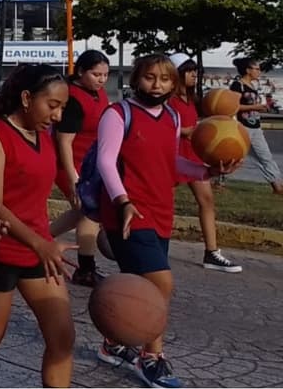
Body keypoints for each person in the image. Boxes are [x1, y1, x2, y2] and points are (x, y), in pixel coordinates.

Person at [94, 54, 241, 388]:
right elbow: (105, 161)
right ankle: (151, 357)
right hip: (128, 213)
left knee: (138, 283)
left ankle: (113, 343)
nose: (156, 85)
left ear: (173, 84)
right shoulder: (118, 114)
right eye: (149, 77)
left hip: (161, 211)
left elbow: (171, 162)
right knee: (161, 283)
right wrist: (123, 201)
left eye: (164, 79)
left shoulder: (172, 116)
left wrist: (206, 171)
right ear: (136, 79)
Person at [0, 64, 76, 388]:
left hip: (38, 251)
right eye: (52, 105)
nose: (57, 116)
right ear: (26, 98)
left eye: (62, 108)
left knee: (62, 337)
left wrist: (92, 201)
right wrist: (40, 244)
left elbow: (61, 182)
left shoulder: (44, 137)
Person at [167, 54, 241, 272]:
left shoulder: (192, 99)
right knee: (165, 203)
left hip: (192, 154)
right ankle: (155, 246)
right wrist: (185, 131)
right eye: (189, 71)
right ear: (177, 74)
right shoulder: (167, 99)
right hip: (172, 155)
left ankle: (212, 252)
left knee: (207, 200)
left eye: (195, 71)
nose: (193, 75)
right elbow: (162, 126)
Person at [48, 49, 111, 287]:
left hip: (90, 165)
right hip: (71, 165)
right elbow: (64, 142)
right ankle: (85, 269)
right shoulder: (73, 99)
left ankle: (38, 240)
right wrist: (73, 178)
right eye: (96, 74)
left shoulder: (98, 93)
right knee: (89, 213)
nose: (101, 80)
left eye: (105, 75)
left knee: (80, 213)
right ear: (81, 72)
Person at [229, 58, 283, 194]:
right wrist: (255, 107)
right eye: (257, 69)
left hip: (255, 127)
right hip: (242, 126)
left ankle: (277, 185)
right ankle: (219, 180)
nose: (259, 71)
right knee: (233, 156)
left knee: (265, 156)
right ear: (248, 70)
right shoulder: (237, 85)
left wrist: (261, 108)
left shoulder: (253, 86)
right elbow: (233, 106)